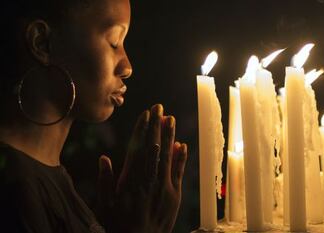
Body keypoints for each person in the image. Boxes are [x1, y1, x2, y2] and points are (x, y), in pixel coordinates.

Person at [0, 0, 188, 232]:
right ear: (43, 43)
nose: (127, 67)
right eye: (114, 42)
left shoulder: (51, 176)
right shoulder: (14, 188)